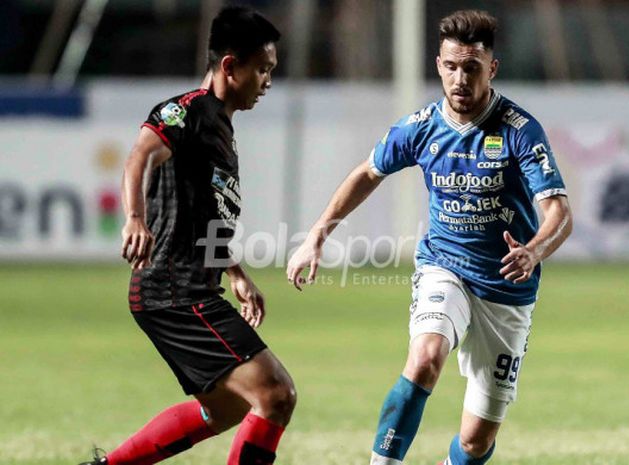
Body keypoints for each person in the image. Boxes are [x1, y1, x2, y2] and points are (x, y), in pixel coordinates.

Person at [287, 9, 572, 465]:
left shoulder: (519, 130)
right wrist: (317, 234)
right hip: (445, 267)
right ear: (439, 65)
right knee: (425, 356)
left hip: (506, 289)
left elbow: (558, 210)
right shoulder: (420, 127)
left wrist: (534, 251)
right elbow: (368, 171)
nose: (460, 79)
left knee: (476, 442)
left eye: (472, 68)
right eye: (451, 67)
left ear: (491, 69)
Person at [79, 6, 296, 465]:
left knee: (227, 407)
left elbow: (207, 215)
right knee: (275, 394)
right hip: (173, 289)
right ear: (230, 66)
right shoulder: (186, 111)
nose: (268, 81)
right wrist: (134, 217)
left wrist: (235, 271)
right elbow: (138, 156)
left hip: (190, 288)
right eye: (263, 69)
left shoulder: (221, 127)